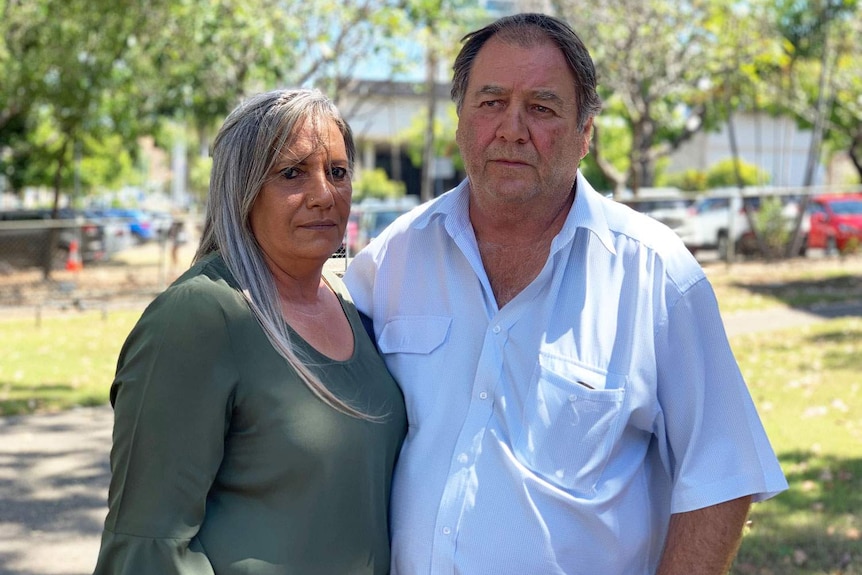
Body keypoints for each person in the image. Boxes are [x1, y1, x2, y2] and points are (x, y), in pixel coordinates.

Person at [344, 13, 787, 575]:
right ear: (460, 123)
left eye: (542, 107)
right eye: (490, 102)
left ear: (585, 135)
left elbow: (722, 477)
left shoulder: (655, 274)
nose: (511, 128)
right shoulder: (393, 258)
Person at [93, 89, 407, 575]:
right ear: (242, 188)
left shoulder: (351, 302)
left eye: (338, 172)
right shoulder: (198, 317)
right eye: (292, 172)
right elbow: (146, 547)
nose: (324, 193)